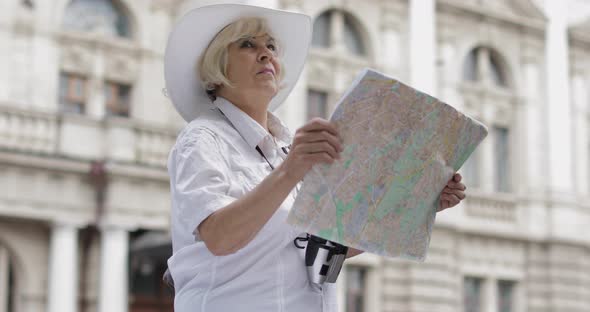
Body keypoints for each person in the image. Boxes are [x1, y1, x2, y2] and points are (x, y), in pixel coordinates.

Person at [163, 4, 467, 312]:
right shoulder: (202, 139)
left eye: (270, 45)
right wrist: (291, 170)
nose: (266, 53)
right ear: (217, 66)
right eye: (247, 44)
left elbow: (328, 247)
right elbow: (219, 236)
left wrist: (420, 202)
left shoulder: (287, 149)